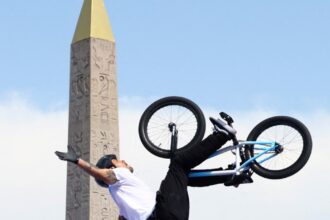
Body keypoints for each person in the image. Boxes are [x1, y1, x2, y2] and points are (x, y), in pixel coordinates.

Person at [55, 120, 237, 220]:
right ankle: (221, 135)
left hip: (174, 216)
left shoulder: (123, 204)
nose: (123, 161)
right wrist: (77, 160)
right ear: (112, 167)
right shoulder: (119, 177)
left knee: (183, 178)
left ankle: (230, 175)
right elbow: (100, 174)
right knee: (178, 165)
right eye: (118, 161)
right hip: (164, 212)